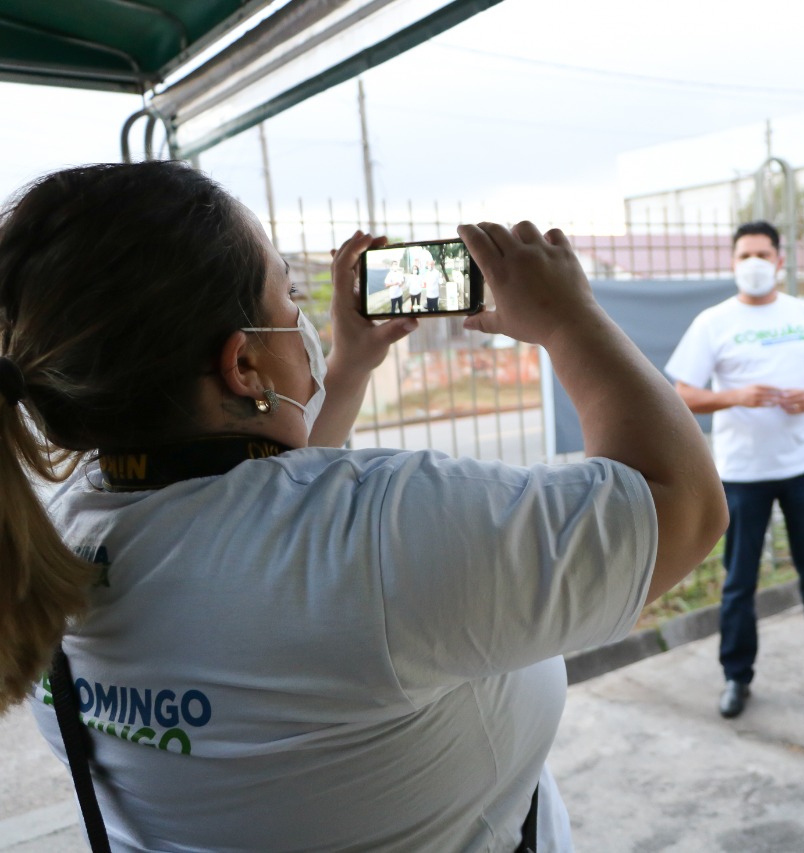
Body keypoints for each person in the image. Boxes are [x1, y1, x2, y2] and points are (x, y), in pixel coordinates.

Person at [0, 161, 727, 850]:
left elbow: (263, 520)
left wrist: (346, 369)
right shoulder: (382, 535)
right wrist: (571, 320)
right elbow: (683, 507)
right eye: (288, 298)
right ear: (244, 363)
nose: (305, 320)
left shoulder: (52, 538)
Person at [665, 220, 804, 719]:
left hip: (803, 468)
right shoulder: (713, 321)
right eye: (744, 256)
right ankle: (737, 677)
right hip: (740, 474)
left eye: (762, 254)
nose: (753, 264)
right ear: (733, 264)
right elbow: (680, 393)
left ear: (779, 261)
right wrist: (734, 395)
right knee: (739, 581)